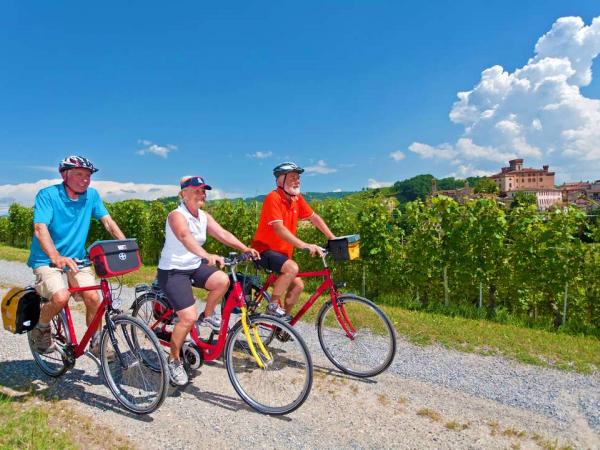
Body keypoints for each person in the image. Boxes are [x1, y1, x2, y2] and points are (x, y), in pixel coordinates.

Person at [157, 175, 259, 386]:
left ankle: (209, 315)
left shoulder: (203, 216)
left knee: (222, 280)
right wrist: (206, 255)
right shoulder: (176, 215)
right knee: (187, 317)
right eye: (196, 190)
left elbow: (222, 233)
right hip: (173, 271)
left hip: (194, 266)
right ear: (183, 194)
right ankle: (173, 359)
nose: (201, 194)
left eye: (203, 191)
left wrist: (244, 248)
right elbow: (185, 237)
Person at [28, 156, 126, 356]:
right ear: (65, 175)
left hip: (77, 259)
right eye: (79, 174)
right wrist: (56, 257)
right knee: (60, 296)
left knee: (93, 297)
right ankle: (41, 327)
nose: (85, 179)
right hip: (47, 259)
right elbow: (40, 228)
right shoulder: (48, 195)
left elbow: (107, 222)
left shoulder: (92, 196)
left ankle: (97, 342)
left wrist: (124, 244)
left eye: (88, 176)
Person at [251, 162, 336, 319]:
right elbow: (279, 229)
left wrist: (332, 238)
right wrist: (304, 245)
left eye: (298, 178)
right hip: (263, 251)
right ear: (280, 180)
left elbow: (314, 217)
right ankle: (273, 306)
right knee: (292, 268)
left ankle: (282, 325)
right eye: (292, 177)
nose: (297, 181)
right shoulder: (273, 198)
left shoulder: (296, 199)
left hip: (282, 254)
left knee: (298, 286)